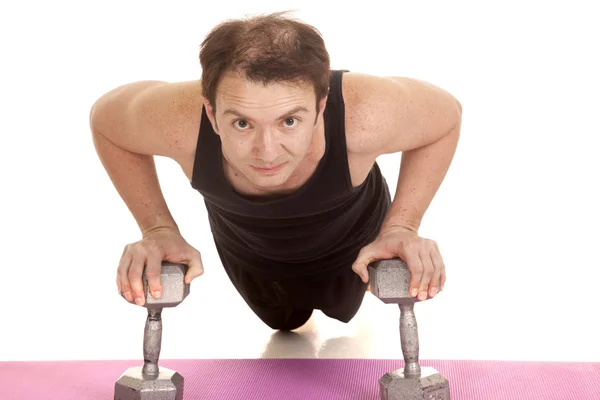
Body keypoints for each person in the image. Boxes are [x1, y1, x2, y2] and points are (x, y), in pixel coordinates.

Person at [89, 11, 462, 331]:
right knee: (284, 324)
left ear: (320, 107)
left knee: (343, 309)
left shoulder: (365, 113)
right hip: (248, 249)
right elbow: (106, 122)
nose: (266, 152)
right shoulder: (178, 119)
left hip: (353, 246)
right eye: (242, 124)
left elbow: (446, 117)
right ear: (210, 113)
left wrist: (402, 226)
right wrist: (158, 229)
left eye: (288, 121)